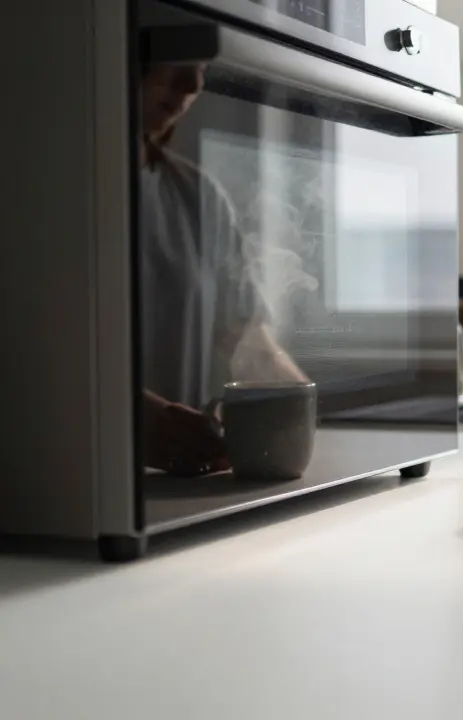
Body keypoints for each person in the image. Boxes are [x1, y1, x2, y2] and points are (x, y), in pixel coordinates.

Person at [138, 60, 307, 477]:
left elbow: (247, 338)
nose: (193, 83)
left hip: (178, 484)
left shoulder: (198, 197)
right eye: (173, 56)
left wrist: (300, 410)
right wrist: (126, 419)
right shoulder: (35, 186)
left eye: (200, 67)